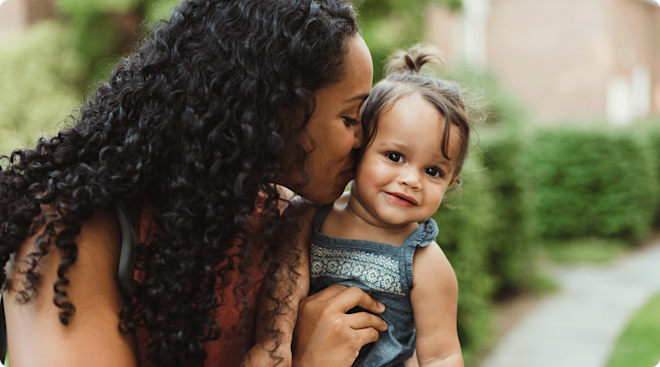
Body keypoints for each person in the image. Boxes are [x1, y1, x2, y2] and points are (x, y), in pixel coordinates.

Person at [0, 0, 390, 366]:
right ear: (272, 110)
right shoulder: (68, 234)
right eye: (351, 118)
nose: (365, 143)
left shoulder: (285, 219)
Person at [252, 46, 470, 367]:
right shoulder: (310, 215)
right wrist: (273, 348)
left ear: (450, 183)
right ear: (359, 149)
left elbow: (442, 354)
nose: (412, 180)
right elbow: (285, 281)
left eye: (433, 171)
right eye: (395, 157)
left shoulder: (424, 260)